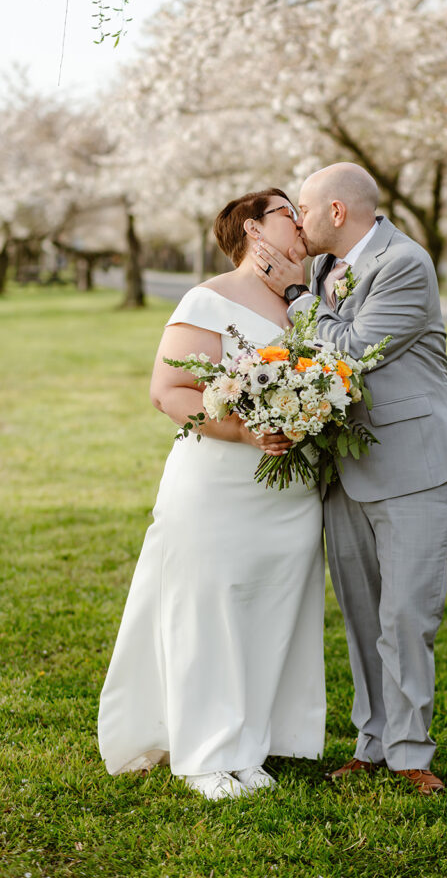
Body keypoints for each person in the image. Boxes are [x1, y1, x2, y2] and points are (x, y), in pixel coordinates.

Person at [98, 189, 325, 801]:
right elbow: (170, 390)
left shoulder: (310, 305)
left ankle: (247, 746)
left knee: (273, 612)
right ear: (253, 229)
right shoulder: (209, 298)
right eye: (288, 213)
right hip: (218, 485)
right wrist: (247, 428)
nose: (302, 223)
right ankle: (202, 755)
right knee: (209, 612)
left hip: (291, 490)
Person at [253, 162, 447, 796]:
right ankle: (372, 742)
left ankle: (410, 751)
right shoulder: (325, 268)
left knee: (406, 615)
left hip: (411, 465)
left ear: (338, 213)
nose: (299, 221)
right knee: (361, 614)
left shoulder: (406, 264)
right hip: (343, 468)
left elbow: (350, 352)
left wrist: (296, 300)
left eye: (305, 210)